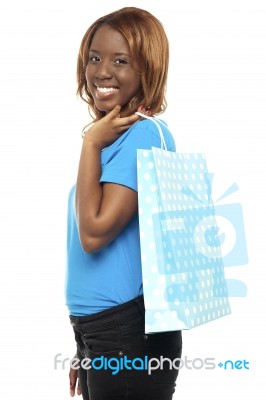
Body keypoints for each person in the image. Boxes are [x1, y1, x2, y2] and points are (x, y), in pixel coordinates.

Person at [66, 7, 182, 400]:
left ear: (146, 69)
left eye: (121, 60)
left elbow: (94, 233)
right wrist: (84, 344)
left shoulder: (143, 136)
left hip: (127, 331)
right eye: (94, 58)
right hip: (102, 330)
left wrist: (90, 142)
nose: (101, 71)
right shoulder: (116, 139)